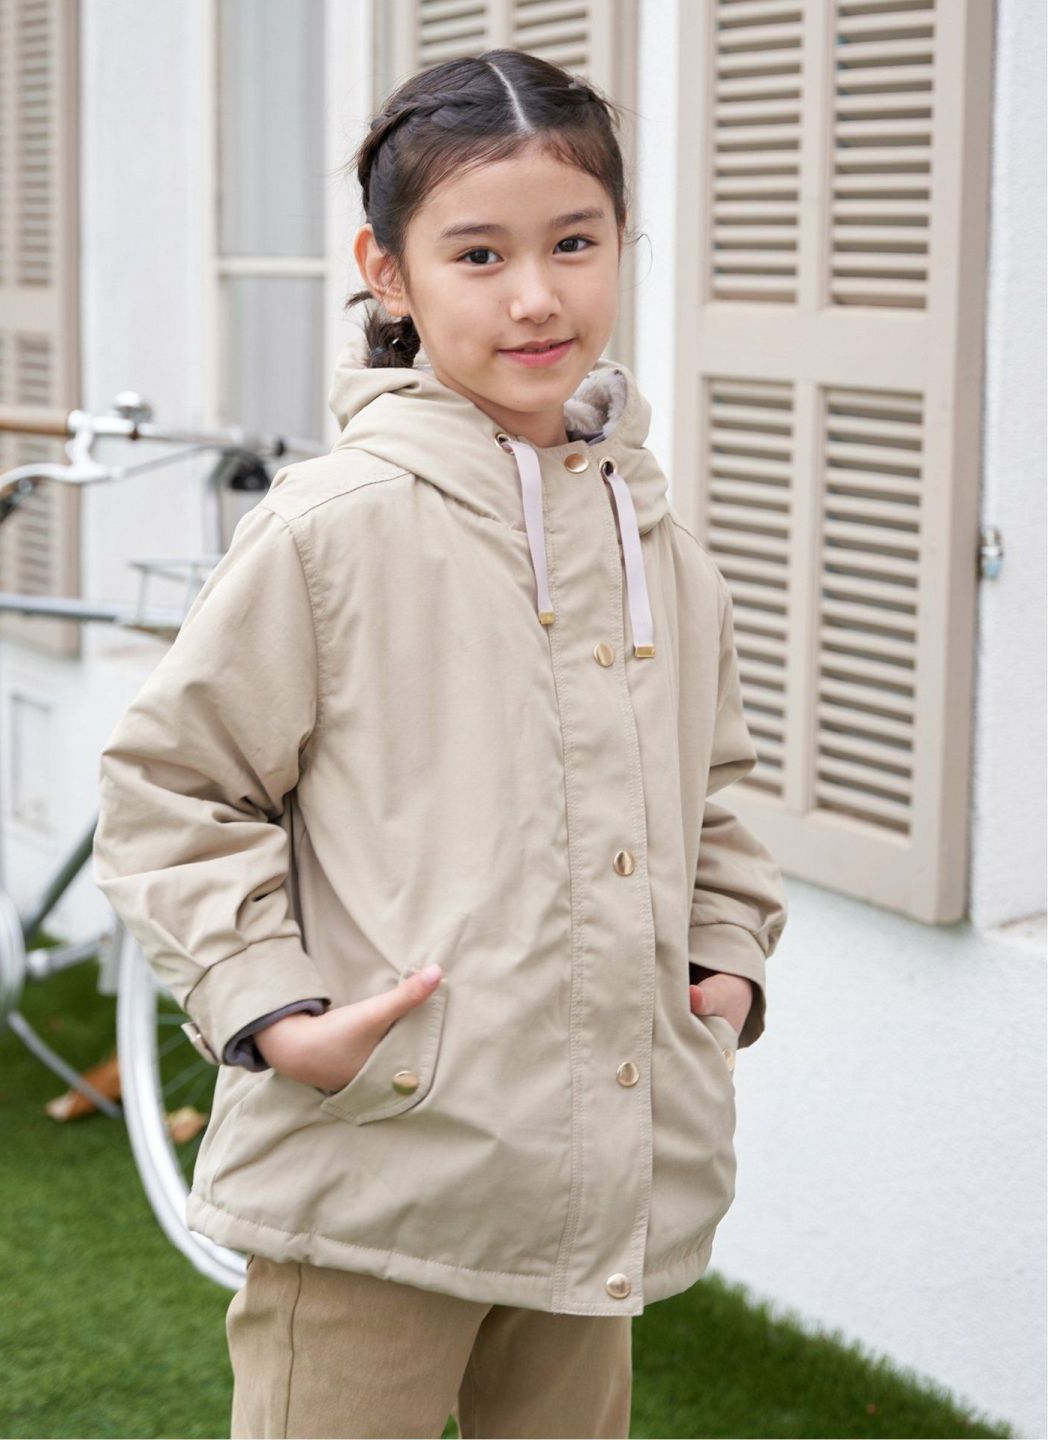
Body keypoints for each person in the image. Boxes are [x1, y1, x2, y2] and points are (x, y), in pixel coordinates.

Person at [92, 46, 788, 1440]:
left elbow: (713, 784)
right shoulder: (331, 529)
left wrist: (724, 964)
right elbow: (174, 788)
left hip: (597, 1178)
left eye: (574, 243)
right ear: (389, 273)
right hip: (377, 1171)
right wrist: (279, 1016)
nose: (536, 296)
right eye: (478, 253)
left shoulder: (656, 538)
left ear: (622, 245)